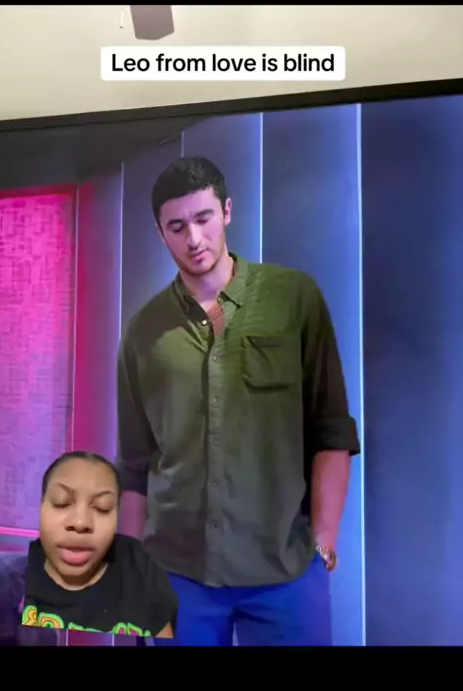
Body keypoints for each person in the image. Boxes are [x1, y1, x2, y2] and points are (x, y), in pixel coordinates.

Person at [116, 156, 360, 646]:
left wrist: (324, 545)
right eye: (177, 227)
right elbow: (136, 465)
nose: (194, 239)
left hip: (285, 571)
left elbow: (331, 429)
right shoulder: (144, 332)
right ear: (161, 233)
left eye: (204, 218)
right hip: (176, 574)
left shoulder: (293, 298)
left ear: (227, 211)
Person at [20, 451, 177, 640]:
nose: (80, 522)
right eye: (62, 503)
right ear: (41, 507)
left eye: (103, 507)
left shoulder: (141, 571)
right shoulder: (10, 583)